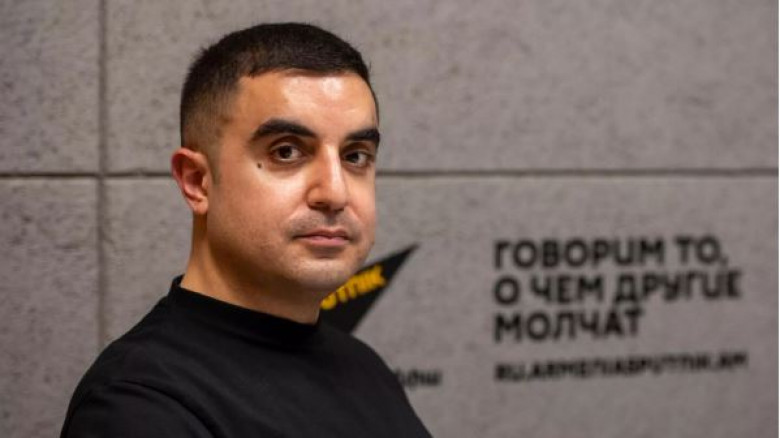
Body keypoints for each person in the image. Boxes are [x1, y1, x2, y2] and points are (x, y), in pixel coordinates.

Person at [60, 22, 431, 437]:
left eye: (355, 156)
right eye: (286, 151)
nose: (335, 192)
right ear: (197, 181)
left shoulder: (364, 368)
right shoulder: (139, 405)